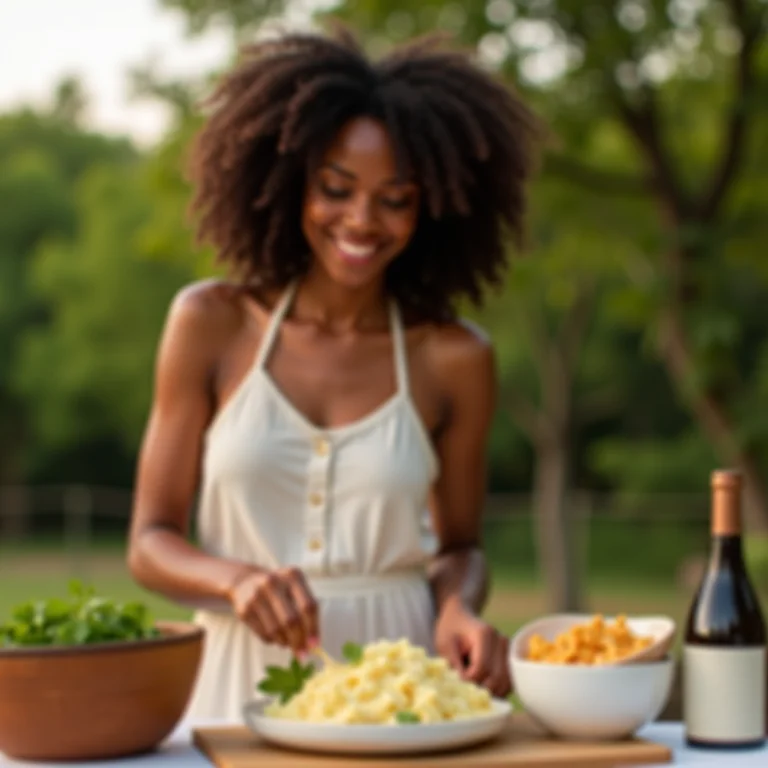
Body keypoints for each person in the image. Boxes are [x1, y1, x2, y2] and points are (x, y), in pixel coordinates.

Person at [127, 24, 543, 721]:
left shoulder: (455, 357)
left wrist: (458, 610)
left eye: (396, 198)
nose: (362, 220)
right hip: (234, 685)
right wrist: (235, 581)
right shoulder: (212, 324)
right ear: (291, 183)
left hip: (397, 695)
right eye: (336, 188)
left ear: (433, 205)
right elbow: (149, 541)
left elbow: (462, 547)